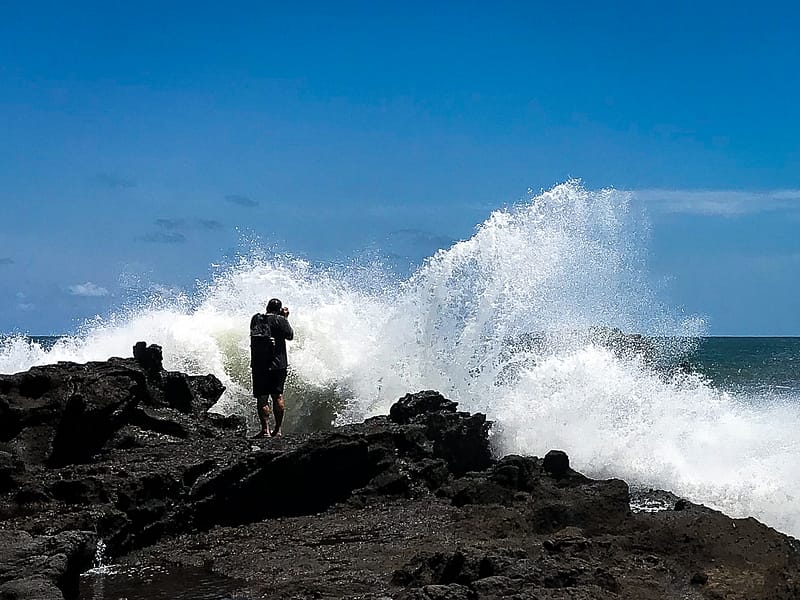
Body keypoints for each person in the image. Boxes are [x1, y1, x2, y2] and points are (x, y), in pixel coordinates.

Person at [250, 298, 294, 438]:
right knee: (277, 396)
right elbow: (290, 335)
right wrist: (285, 318)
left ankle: (265, 431)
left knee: (262, 399)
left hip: (260, 364)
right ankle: (278, 430)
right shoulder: (280, 320)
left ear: (267, 307)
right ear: (279, 309)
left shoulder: (256, 319)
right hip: (278, 364)